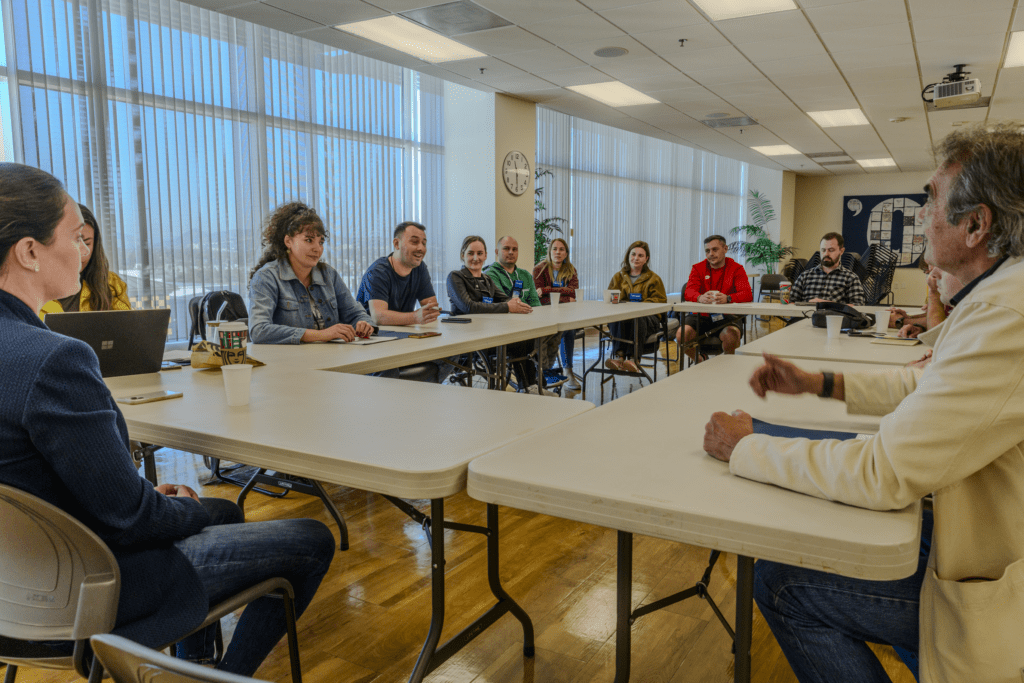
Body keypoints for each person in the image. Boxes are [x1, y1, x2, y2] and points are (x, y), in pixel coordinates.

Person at [703, 122, 1024, 682]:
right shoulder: (1001, 297)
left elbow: (881, 472)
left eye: (931, 200)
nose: (921, 215)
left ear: (976, 225)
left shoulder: (1005, 318)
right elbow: (924, 388)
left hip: (994, 570)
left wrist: (747, 448)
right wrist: (816, 384)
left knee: (780, 584)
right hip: (973, 529)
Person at [0, 163, 335, 675]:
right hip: (89, 589)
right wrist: (186, 509)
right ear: (28, 251)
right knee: (311, 539)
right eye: (74, 236)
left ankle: (190, 664)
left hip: (12, 589)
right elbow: (132, 519)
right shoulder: (53, 361)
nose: (82, 250)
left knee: (221, 512)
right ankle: (220, 676)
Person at [248, 202, 373, 344]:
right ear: (288, 241)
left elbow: (355, 314)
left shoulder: (328, 274)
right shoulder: (267, 277)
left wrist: (364, 324)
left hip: (331, 357)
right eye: (309, 240)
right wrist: (321, 335)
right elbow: (258, 330)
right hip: (289, 361)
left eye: (321, 242)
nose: (317, 249)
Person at [447, 236, 554, 396]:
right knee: (518, 340)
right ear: (463, 255)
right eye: (471, 253)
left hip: (490, 331)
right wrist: (507, 306)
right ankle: (529, 386)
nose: (475, 258)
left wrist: (519, 305)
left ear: (485, 256)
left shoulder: (487, 279)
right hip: (468, 335)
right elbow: (469, 306)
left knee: (526, 336)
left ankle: (531, 385)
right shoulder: (456, 277)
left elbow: (505, 300)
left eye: (480, 253)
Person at [356, 221, 448, 381]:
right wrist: (415, 317)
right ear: (396, 244)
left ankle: (418, 395)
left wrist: (424, 314)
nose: (421, 248)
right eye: (414, 242)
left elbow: (431, 309)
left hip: (405, 337)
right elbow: (378, 317)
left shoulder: (419, 268)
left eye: (424, 243)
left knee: (452, 354)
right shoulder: (378, 272)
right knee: (387, 368)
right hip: (375, 340)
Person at [486, 235, 561, 379]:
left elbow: (535, 303)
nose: (511, 252)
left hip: (530, 322)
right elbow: (504, 303)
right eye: (506, 249)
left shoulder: (525, 275)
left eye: (514, 249)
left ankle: (544, 371)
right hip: (507, 326)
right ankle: (538, 377)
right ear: (497, 252)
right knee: (538, 337)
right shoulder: (491, 275)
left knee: (558, 329)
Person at [39, 203, 131, 317]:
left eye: (87, 243)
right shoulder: (28, 289)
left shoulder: (111, 284)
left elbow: (129, 331)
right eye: (73, 242)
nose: (83, 251)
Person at [678, 234, 753, 361]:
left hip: (727, 315)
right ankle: (700, 360)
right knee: (681, 334)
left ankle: (726, 365)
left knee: (731, 335)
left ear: (725, 249)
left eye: (715, 249)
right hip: (701, 315)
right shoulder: (698, 268)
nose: (710, 254)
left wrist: (728, 298)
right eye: (707, 251)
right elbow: (689, 291)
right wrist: (699, 297)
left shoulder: (737, 269)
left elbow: (747, 294)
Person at [604, 240, 667, 373]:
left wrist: (636, 308)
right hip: (625, 317)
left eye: (640, 255)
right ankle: (618, 358)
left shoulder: (654, 279)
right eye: (633, 254)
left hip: (648, 319)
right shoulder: (618, 277)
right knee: (617, 316)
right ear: (628, 256)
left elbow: (660, 302)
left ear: (646, 259)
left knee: (637, 316)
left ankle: (634, 360)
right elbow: (611, 298)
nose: (636, 258)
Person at [532, 237, 581, 390]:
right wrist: (565, 295)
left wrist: (547, 290)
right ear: (550, 251)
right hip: (546, 313)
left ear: (566, 253)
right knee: (555, 330)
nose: (558, 252)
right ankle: (544, 371)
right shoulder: (539, 269)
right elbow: (538, 295)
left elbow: (573, 291)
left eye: (561, 249)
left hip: (566, 313)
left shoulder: (571, 270)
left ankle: (567, 369)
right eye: (555, 249)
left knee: (569, 329)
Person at [789, 232, 866, 305]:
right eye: (823, 250)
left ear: (841, 251)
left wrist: (826, 304)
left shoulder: (851, 278)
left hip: (835, 318)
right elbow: (791, 302)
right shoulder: (805, 276)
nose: (826, 254)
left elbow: (858, 305)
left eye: (831, 250)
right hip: (806, 317)